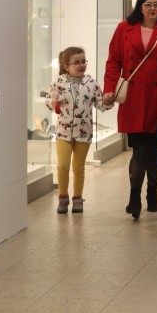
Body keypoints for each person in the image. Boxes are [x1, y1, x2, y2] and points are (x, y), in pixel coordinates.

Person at [102, 0, 157, 219]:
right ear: (139, 6)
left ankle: (153, 192)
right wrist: (109, 89)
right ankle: (134, 196)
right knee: (138, 149)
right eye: (148, 5)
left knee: (154, 147)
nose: (152, 9)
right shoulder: (124, 28)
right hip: (134, 99)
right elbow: (113, 62)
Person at [46, 47, 112, 214]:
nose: (81, 65)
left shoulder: (91, 82)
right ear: (67, 66)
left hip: (84, 131)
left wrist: (108, 100)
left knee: (79, 167)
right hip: (63, 132)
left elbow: (100, 104)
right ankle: (63, 197)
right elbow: (48, 100)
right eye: (77, 62)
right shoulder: (58, 82)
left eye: (83, 61)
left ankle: (77, 198)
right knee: (62, 166)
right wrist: (53, 102)